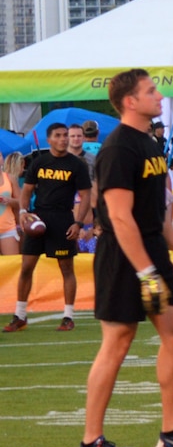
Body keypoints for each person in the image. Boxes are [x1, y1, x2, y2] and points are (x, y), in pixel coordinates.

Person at [81, 68, 173, 447]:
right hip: (124, 257)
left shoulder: (151, 146)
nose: (159, 96)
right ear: (130, 101)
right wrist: (146, 273)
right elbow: (120, 218)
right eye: (150, 91)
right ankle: (91, 442)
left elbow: (157, 216)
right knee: (117, 342)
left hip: (153, 250)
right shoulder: (119, 148)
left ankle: (172, 433)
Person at [3, 123, 92, 333]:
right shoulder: (39, 162)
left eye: (65, 135)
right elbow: (26, 190)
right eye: (59, 135)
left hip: (63, 218)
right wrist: (24, 213)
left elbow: (86, 195)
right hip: (39, 217)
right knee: (26, 267)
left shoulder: (76, 164)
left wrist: (78, 223)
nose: (63, 139)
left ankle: (68, 316)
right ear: (49, 139)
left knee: (66, 268)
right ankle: (20, 315)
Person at [0, 153, 21, 256]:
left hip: (7, 228)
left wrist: (9, 201)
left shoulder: (10, 178)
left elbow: (21, 202)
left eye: (0, 156)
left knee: (12, 264)